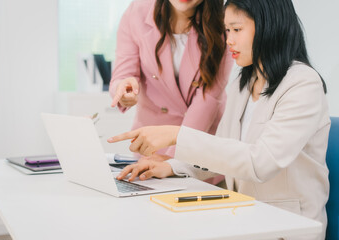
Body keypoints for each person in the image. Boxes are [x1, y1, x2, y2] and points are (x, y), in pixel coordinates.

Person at [108, 0, 330, 239]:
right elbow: (221, 151)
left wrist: (177, 135)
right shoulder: (244, 83)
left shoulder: (303, 84)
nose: (228, 40)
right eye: (226, 30)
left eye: (236, 30)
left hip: (288, 226)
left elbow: (260, 163)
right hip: (247, 219)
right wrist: (171, 165)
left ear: (269, 26)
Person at [109, 0, 233, 162]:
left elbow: (208, 100)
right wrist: (123, 89)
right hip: (151, 147)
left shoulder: (223, 22)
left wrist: (171, 159)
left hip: (200, 145)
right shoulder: (137, 12)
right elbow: (123, 73)